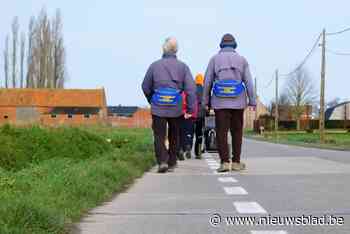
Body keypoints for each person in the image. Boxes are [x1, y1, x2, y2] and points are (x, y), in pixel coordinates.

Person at [203, 33, 256, 173]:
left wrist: (206, 101)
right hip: (238, 102)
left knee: (221, 132)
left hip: (220, 102)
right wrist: (253, 101)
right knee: (237, 132)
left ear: (221, 45)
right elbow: (249, 82)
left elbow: (207, 82)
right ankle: (237, 162)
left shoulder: (214, 59)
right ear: (234, 45)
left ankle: (225, 162)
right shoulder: (242, 60)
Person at [142, 37, 196, 173]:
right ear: (176, 50)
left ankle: (162, 161)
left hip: (158, 106)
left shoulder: (154, 66)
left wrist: (152, 99)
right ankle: (172, 162)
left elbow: (145, 86)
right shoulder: (183, 67)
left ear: (163, 49)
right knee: (174, 134)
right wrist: (190, 108)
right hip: (175, 107)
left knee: (159, 134)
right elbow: (191, 89)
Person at [193, 73, 205, 159]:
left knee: (188, 133)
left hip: (192, 114)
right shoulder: (204, 90)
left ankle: (186, 148)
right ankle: (198, 152)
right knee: (199, 133)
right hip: (201, 115)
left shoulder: (191, 89)